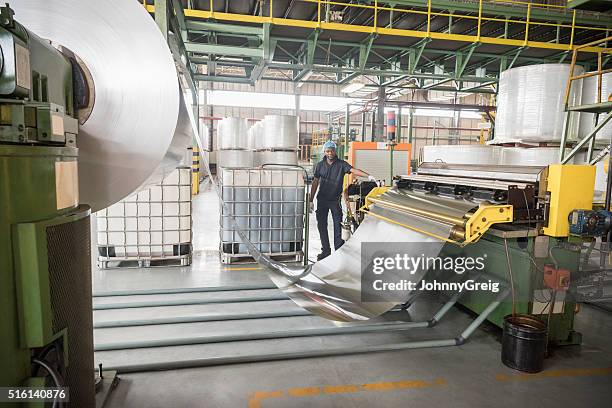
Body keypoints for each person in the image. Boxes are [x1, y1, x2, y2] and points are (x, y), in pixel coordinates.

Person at [310, 141, 376, 260]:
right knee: (322, 226)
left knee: (337, 225)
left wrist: (368, 176)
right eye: (327, 151)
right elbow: (315, 182)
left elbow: (353, 170)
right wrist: (311, 200)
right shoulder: (319, 165)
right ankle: (325, 250)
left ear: (335, 151)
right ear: (324, 152)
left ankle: (339, 250)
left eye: (332, 151)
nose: (330, 153)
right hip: (322, 200)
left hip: (335, 201)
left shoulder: (341, 164)